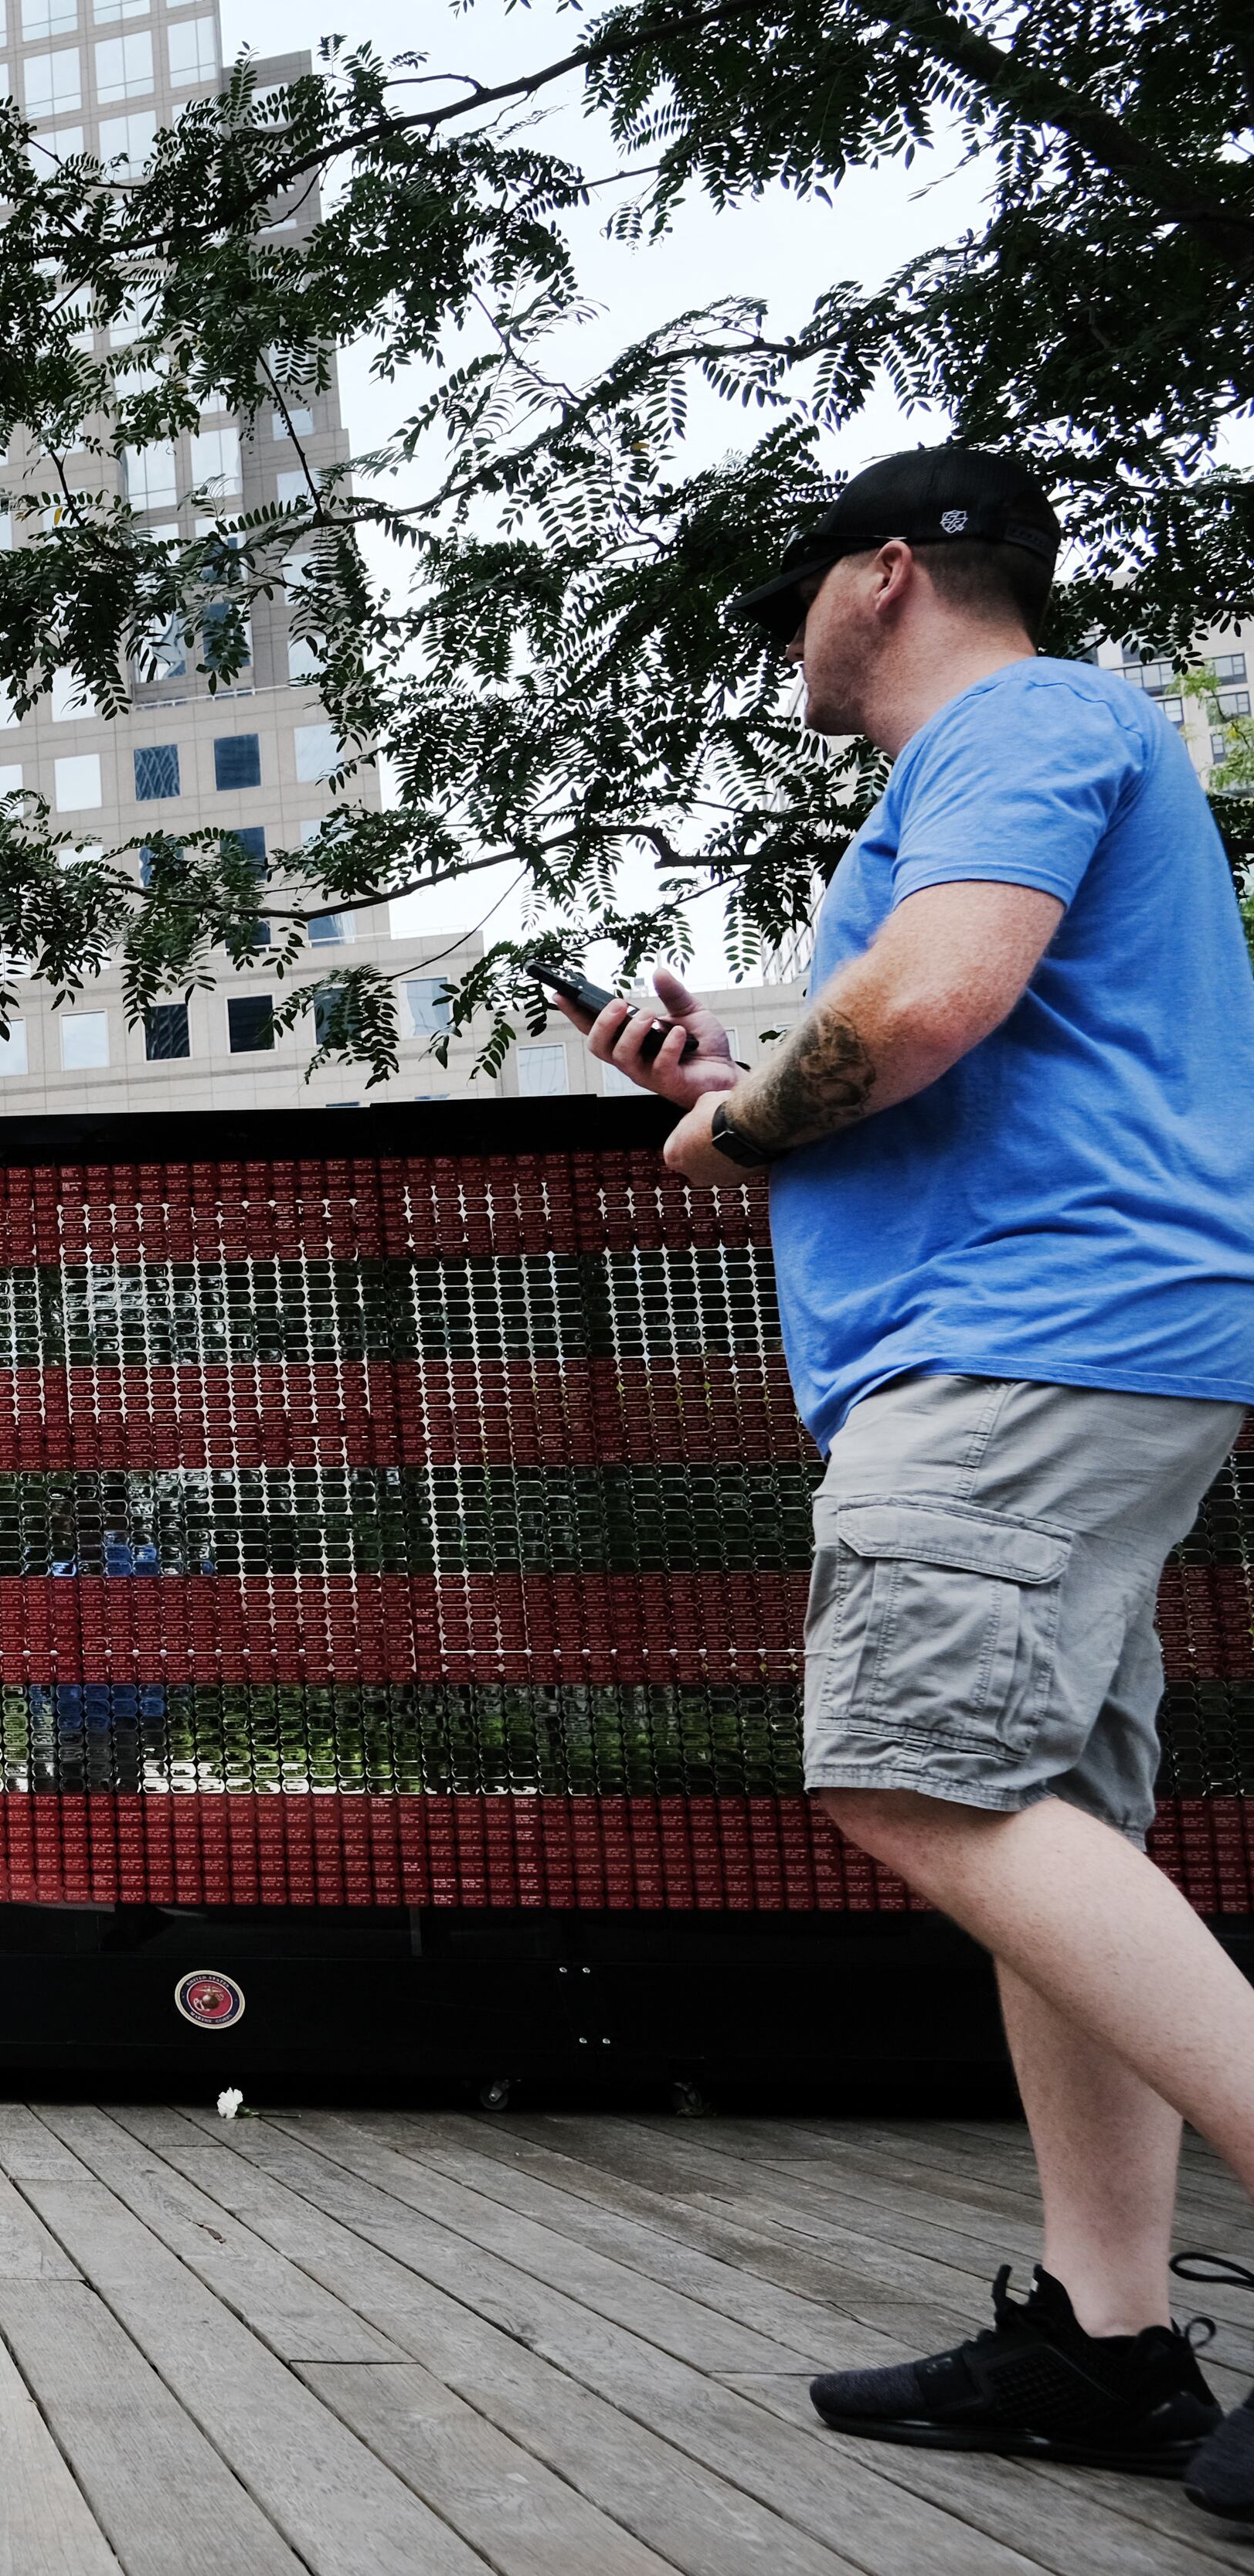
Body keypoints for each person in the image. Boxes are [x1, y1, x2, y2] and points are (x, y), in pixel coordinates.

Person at [575, 447, 1254, 2512]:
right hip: (1066, 1333)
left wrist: (723, 1134)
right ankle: (1111, 2335)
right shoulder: (1008, 770)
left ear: (887, 577)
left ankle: (1120, 2322)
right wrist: (734, 1080)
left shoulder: (1028, 717)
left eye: (801, 592)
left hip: (1030, 1344)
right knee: (1048, 1827)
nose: (791, 637)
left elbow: (933, 1003)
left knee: (919, 1775)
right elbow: (936, 1038)